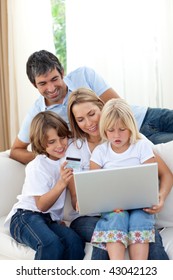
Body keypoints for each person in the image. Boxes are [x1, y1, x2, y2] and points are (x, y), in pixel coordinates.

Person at [10, 50, 173, 164]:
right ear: (34, 84)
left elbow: (117, 106)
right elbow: (16, 150)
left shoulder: (83, 75)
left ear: (62, 72)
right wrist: (50, 157)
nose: (51, 88)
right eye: (43, 84)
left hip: (145, 117)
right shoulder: (38, 113)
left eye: (54, 79)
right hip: (132, 140)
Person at [66, 87, 173, 260]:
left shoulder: (135, 141)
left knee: (143, 235)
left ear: (102, 108)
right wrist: (80, 200)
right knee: (112, 227)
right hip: (94, 217)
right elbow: (74, 195)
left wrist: (159, 198)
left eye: (92, 114)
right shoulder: (74, 150)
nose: (89, 123)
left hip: (135, 211)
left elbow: (162, 173)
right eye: (80, 119)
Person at [4, 111, 85, 260]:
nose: (60, 145)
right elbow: (41, 206)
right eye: (52, 141)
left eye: (62, 137)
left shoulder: (70, 159)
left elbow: (74, 193)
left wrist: (80, 203)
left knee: (74, 242)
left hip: (49, 219)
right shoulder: (37, 166)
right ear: (41, 143)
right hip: (24, 217)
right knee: (51, 244)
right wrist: (61, 183)